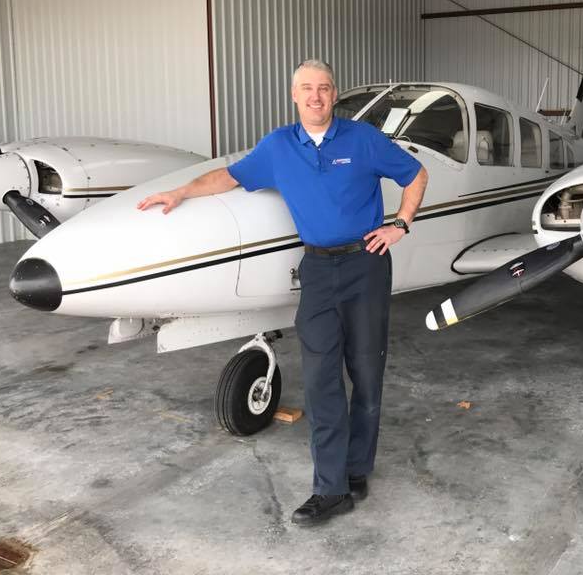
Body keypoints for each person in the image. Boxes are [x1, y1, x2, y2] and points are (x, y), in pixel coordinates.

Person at [137, 60, 428, 526]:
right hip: (317, 268)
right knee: (319, 379)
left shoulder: (363, 139)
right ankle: (331, 490)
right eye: (307, 89)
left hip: (367, 265)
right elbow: (229, 176)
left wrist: (401, 223)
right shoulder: (278, 147)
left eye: (324, 88)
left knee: (367, 375)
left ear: (334, 94)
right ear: (294, 95)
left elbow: (415, 175)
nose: (316, 96)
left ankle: (356, 470)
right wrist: (181, 192)